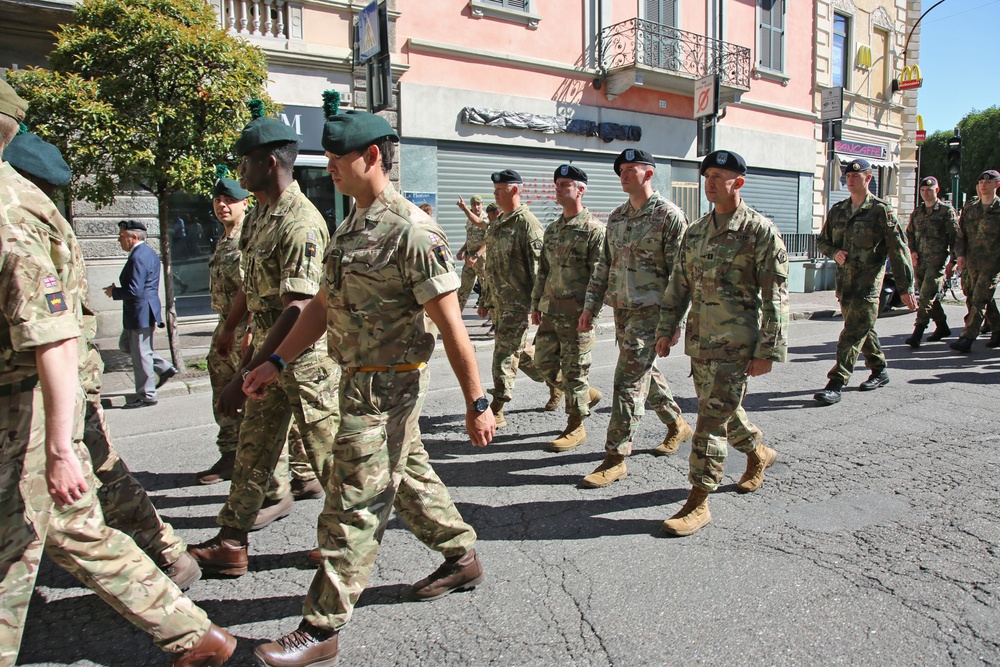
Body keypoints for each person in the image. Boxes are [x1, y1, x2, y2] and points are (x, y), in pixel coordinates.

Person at [244, 109, 495, 667]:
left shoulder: (413, 231)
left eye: (338, 159)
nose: (328, 167)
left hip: (391, 389)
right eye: (327, 159)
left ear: (373, 156)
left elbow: (454, 329)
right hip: (351, 381)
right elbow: (323, 306)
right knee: (408, 477)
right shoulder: (350, 227)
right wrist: (277, 361)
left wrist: (477, 403)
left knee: (351, 501)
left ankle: (321, 627)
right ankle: (461, 555)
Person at [0, 77, 234, 667]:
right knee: (78, 501)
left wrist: (58, 444)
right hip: (58, 383)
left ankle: (185, 615)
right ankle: (179, 588)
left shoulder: (15, 215)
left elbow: (55, 330)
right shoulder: (41, 216)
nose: (223, 206)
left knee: (66, 517)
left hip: (38, 393)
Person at [4, 127, 202, 590]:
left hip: (58, 381)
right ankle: (164, 557)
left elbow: (55, 332)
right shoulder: (45, 226)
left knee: (86, 493)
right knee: (100, 475)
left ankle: (180, 613)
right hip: (69, 376)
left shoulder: (24, 226)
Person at [187, 107, 340, 577]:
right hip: (268, 357)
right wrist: (234, 333)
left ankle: (347, 544)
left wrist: (250, 370)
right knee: (253, 450)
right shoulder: (260, 217)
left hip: (303, 361)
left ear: (271, 162)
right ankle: (232, 541)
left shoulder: (300, 222)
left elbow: (298, 306)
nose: (240, 172)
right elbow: (248, 288)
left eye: (245, 162)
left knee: (329, 460)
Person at [655, 150, 789, 536]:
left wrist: (768, 349)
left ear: (738, 183)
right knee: (723, 412)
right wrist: (667, 328)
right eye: (707, 175)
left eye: (719, 176)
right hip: (700, 341)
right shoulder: (695, 231)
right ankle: (758, 452)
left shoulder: (759, 230)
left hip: (737, 344)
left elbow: (775, 294)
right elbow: (679, 284)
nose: (710, 182)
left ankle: (698, 501)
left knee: (709, 421)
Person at [578, 148, 692, 488]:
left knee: (626, 381)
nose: (624, 175)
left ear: (649, 173)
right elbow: (604, 265)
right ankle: (676, 424)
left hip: (653, 313)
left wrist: (675, 323)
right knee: (644, 373)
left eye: (632, 169)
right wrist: (590, 307)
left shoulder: (669, 217)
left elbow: (680, 275)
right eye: (621, 170)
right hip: (624, 310)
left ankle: (616, 457)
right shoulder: (616, 217)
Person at [813, 158, 916, 405]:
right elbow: (822, 241)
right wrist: (833, 253)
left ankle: (836, 382)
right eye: (848, 176)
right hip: (845, 285)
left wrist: (905, 287)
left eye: (856, 176)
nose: (850, 179)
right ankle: (880, 371)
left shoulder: (881, 210)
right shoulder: (837, 210)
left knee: (851, 333)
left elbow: (899, 250)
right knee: (862, 328)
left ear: (868, 179)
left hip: (869, 285)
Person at [530, 165, 604, 451]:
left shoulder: (594, 230)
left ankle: (575, 428)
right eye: (557, 184)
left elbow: (600, 276)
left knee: (574, 373)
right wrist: (536, 303)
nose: (558, 189)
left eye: (565, 184)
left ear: (580, 189)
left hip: (577, 316)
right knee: (542, 364)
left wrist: (591, 311)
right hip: (551, 312)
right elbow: (543, 271)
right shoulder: (553, 229)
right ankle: (585, 393)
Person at [478, 169, 559, 426]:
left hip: (518, 304)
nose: (495, 195)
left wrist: (539, 306)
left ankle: (498, 406)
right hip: (499, 304)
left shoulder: (528, 224)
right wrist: (485, 300)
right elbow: (491, 267)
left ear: (514, 190)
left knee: (503, 352)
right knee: (520, 353)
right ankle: (561, 383)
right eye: (494, 190)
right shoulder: (498, 223)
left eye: (499, 191)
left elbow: (539, 269)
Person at [196, 173, 249, 485]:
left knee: (254, 397)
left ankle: (289, 467)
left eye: (230, 200)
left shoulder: (247, 237)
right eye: (218, 200)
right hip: (225, 326)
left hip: (244, 328)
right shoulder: (225, 240)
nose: (222, 205)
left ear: (245, 202)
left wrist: (248, 330)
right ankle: (230, 455)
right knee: (223, 395)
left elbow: (253, 287)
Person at [104, 219, 178, 408]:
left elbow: (135, 290)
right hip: (141, 311)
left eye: (122, 237)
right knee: (128, 346)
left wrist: (115, 292)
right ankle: (164, 368)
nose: (119, 241)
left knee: (140, 354)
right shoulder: (148, 253)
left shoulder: (138, 256)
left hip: (140, 312)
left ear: (134, 237)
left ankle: (147, 395)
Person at [904, 176, 959, 347]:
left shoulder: (946, 211)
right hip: (920, 261)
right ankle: (942, 326)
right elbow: (910, 234)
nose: (926, 193)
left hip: (936, 261)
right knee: (929, 296)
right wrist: (912, 251)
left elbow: (955, 237)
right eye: (922, 190)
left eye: (929, 190)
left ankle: (918, 332)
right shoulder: (918, 212)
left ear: (937, 190)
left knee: (926, 296)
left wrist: (953, 260)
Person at [950, 169, 1000, 353]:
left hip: (991, 264)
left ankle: (967, 337)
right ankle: (998, 329)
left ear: (997, 185)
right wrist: (959, 256)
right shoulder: (971, 209)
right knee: (976, 297)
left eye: (988, 182)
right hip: (971, 262)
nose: (984, 185)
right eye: (981, 183)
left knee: (979, 299)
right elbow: (961, 235)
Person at [456, 194, 488, 310]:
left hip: (481, 260)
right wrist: (461, 250)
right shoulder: (469, 220)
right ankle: (456, 316)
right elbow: (469, 239)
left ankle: (492, 318)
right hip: (469, 259)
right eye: (474, 204)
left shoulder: (486, 220)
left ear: (482, 205)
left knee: (486, 289)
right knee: (463, 289)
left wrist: (475, 256)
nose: (476, 207)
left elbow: (487, 242)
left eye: (478, 204)